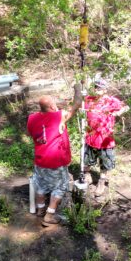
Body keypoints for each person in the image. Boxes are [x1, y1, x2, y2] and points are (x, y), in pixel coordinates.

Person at [27, 82, 83, 226]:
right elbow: (77, 104)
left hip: (40, 160)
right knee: (60, 186)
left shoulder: (31, 118)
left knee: (40, 185)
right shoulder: (59, 116)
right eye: (54, 104)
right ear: (52, 106)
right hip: (55, 162)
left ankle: (40, 210)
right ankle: (49, 215)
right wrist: (77, 87)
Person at [83, 76, 128, 200]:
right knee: (87, 158)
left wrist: (118, 112)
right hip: (91, 136)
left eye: (100, 88)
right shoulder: (89, 100)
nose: (97, 89)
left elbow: (125, 107)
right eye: (96, 87)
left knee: (105, 161)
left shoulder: (111, 101)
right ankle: (87, 174)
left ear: (105, 89)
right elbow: (78, 102)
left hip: (105, 138)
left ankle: (102, 181)